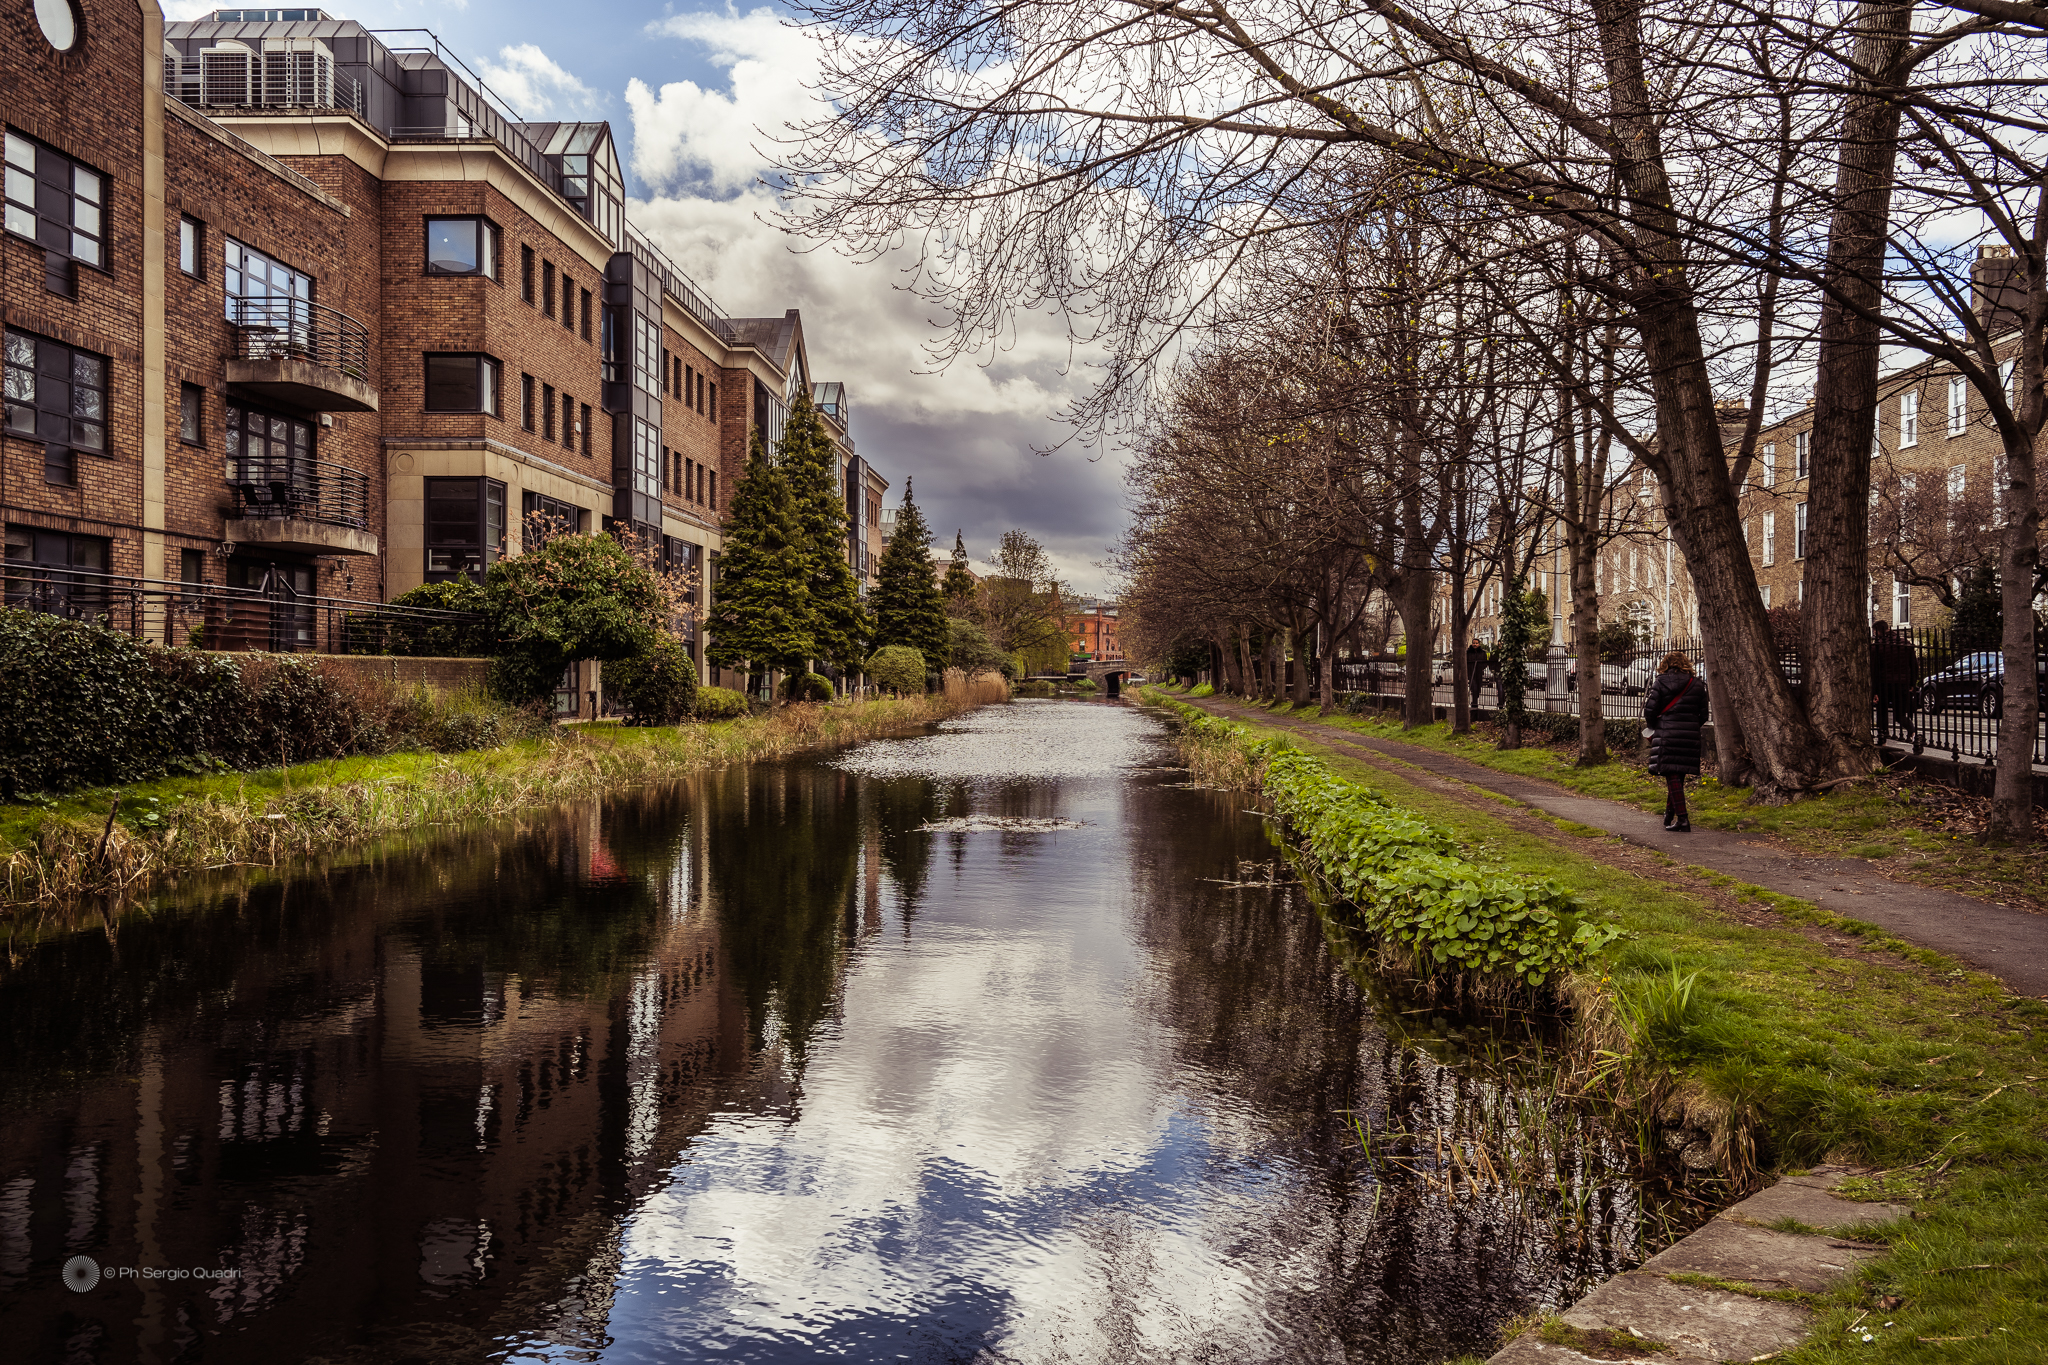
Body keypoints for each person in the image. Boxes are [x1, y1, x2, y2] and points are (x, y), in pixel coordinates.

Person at [1644, 651, 1709, 832]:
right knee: (1677, 775)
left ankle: (1683, 819)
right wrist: (1690, 726)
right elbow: (1703, 714)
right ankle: (1670, 813)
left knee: (1672, 775)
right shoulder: (1697, 684)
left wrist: (1654, 726)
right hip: (1690, 735)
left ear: (1666, 664)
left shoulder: (1660, 682)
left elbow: (1650, 710)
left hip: (1667, 734)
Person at [1870, 621, 1918, 743]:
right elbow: (1913, 665)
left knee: (1882, 712)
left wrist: (1874, 691)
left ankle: (1883, 737)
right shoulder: (1905, 644)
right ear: (1889, 628)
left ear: (1876, 631)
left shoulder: (1877, 647)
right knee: (1900, 714)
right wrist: (1912, 683)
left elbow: (1874, 670)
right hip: (1902, 684)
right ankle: (1912, 729)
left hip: (1884, 684)